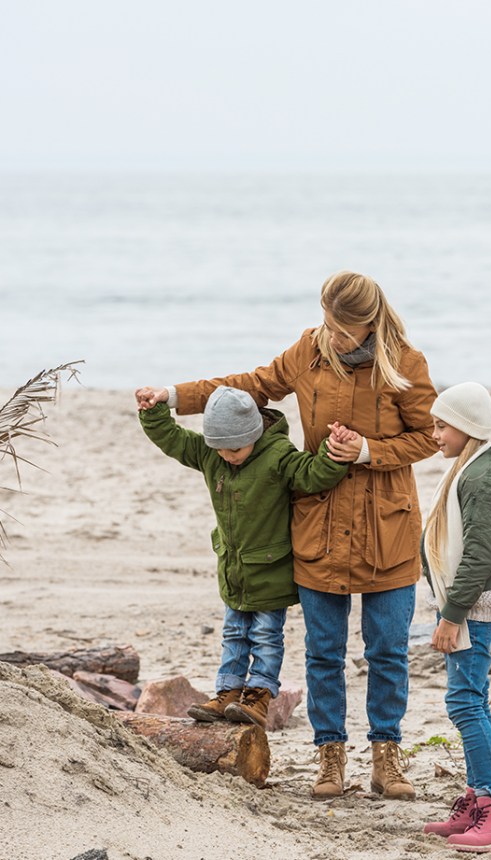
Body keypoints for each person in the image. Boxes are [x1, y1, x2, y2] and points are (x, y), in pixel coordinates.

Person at [135, 270, 439, 800]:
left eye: (343, 331)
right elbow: (252, 386)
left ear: (369, 322)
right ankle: (330, 757)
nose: (333, 337)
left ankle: (386, 757)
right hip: (318, 524)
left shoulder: (405, 363)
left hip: (388, 525)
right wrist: (175, 394)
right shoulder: (308, 350)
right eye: (327, 324)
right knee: (324, 653)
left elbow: (428, 437)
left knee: (388, 650)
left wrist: (369, 452)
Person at [136, 385, 348, 730]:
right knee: (233, 633)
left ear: (253, 434)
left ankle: (259, 694)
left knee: (265, 634)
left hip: (270, 571)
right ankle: (228, 691)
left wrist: (333, 450)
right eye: (219, 449)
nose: (227, 456)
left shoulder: (277, 456)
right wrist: (154, 412)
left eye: (234, 448)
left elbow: (313, 474)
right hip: (233, 571)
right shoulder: (211, 453)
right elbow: (174, 440)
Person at [420, 382, 491, 852]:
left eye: (442, 425)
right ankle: (477, 796)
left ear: (465, 428)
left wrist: (451, 615)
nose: (434, 432)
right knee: (472, 699)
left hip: (473, 607)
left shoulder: (481, 478)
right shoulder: (472, 468)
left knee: (463, 703)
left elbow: (478, 555)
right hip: (469, 604)